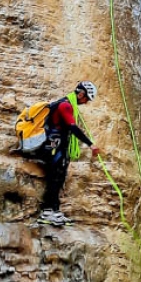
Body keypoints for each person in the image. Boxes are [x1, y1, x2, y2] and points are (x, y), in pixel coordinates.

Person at [36, 82, 101, 225]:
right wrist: (90, 144)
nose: (86, 102)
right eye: (87, 99)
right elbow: (73, 128)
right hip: (54, 145)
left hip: (58, 145)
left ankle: (54, 211)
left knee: (59, 177)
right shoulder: (65, 105)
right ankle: (48, 212)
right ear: (81, 94)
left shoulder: (68, 105)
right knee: (55, 177)